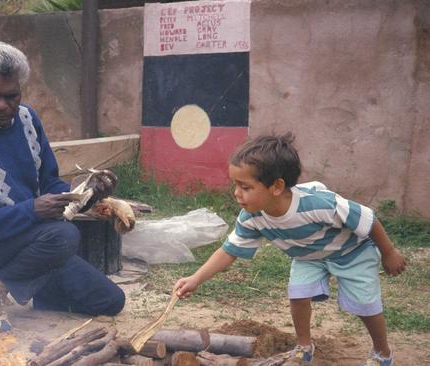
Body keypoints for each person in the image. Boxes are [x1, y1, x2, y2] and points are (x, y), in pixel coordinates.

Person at [0, 41, 125, 332]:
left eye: (11, 96)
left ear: (21, 89)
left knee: (111, 301)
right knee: (63, 236)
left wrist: (85, 192)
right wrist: (32, 211)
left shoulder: (27, 118)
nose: (2, 105)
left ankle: (37, 285)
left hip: (33, 239)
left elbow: (49, 181)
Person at [173, 133, 406, 366]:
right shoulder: (252, 216)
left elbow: (367, 218)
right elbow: (229, 251)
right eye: (235, 184)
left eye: (245, 186)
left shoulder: (319, 204)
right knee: (298, 294)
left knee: (365, 305)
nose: (236, 193)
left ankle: (381, 352)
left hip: (351, 253)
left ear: (276, 187)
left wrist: (389, 252)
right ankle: (304, 347)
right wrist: (196, 279)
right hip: (308, 257)